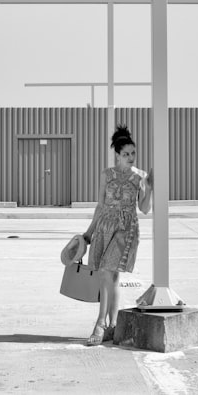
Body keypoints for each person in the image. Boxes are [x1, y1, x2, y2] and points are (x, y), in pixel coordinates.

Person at [81, 124, 153, 346]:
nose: (131, 157)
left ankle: (100, 323)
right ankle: (113, 326)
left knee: (106, 271)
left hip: (126, 228)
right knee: (112, 277)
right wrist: (89, 232)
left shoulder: (140, 176)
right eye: (126, 154)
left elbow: (145, 209)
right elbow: (100, 205)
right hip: (104, 226)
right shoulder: (107, 175)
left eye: (133, 153)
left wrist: (149, 188)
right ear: (118, 155)